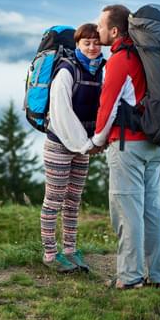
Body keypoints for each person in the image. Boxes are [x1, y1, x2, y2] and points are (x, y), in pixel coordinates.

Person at [91, 4, 160, 289]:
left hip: (128, 146)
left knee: (127, 212)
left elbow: (108, 107)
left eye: (101, 26)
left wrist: (95, 142)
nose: (97, 30)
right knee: (151, 210)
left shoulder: (120, 60)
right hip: (154, 142)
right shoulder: (146, 54)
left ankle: (130, 276)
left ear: (114, 31)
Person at [40, 23, 105, 273]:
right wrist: (86, 144)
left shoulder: (102, 70)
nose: (92, 47)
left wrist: (94, 142)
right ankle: (49, 253)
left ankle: (70, 249)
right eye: (86, 42)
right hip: (59, 144)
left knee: (73, 199)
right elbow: (62, 114)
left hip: (84, 146)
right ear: (77, 44)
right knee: (54, 199)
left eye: (96, 42)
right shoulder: (66, 71)